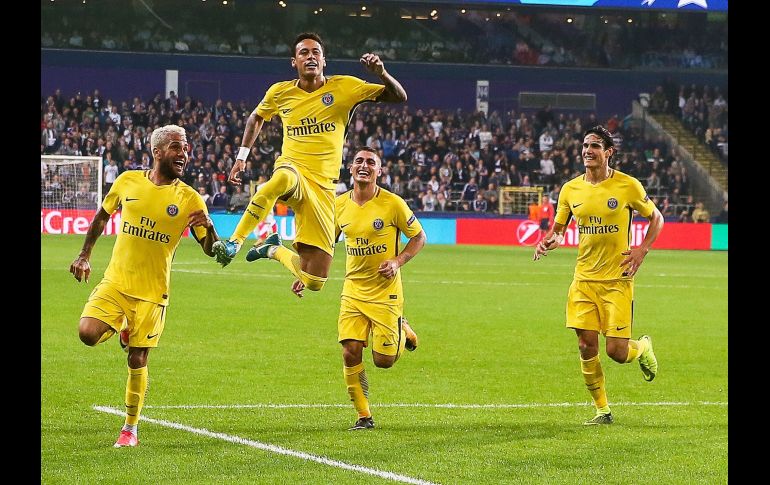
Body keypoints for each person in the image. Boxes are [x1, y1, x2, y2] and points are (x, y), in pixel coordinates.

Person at [212, 32, 407, 299]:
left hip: (324, 188)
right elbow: (256, 117)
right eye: (304, 53)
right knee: (280, 180)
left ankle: (271, 248)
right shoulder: (280, 92)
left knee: (315, 279)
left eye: (316, 52)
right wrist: (241, 158)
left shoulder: (345, 87)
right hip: (293, 169)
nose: (310, 57)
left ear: (324, 60)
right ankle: (234, 242)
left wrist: (381, 73)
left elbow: (399, 96)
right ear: (294, 62)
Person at [69, 125, 219, 447]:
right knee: (87, 333)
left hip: (153, 293)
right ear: (157, 152)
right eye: (177, 147)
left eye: (186, 148)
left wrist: (210, 227)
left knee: (137, 359)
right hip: (116, 282)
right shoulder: (128, 181)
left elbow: (210, 250)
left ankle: (130, 429)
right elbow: (101, 216)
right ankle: (122, 327)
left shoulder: (190, 198)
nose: (184, 154)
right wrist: (84, 255)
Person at [533, 125, 663, 426]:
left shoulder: (628, 185)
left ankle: (643, 347)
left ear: (608, 152)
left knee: (617, 351)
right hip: (584, 281)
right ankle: (602, 410)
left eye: (594, 146)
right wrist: (549, 241)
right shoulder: (570, 190)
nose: (587, 151)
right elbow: (559, 230)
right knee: (585, 345)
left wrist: (642, 250)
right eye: (585, 145)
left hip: (617, 280)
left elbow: (656, 217)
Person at [294, 147, 426, 430]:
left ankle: (402, 328)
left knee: (384, 361)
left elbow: (419, 237)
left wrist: (397, 261)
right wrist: (306, 274)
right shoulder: (338, 205)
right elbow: (326, 246)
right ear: (351, 169)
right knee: (349, 351)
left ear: (380, 171)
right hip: (353, 290)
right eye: (358, 161)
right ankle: (364, 416)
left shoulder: (393, 204)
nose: (364, 166)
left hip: (385, 291)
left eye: (370, 162)